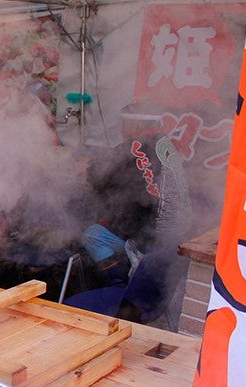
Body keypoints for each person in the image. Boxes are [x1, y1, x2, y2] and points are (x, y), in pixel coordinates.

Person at [66, 105, 192, 322]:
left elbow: (99, 176)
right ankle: (132, 279)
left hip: (150, 239)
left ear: (135, 126)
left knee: (92, 235)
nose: (123, 131)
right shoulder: (166, 145)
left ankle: (120, 285)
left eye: (124, 125)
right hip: (174, 236)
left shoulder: (134, 147)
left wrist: (85, 170)